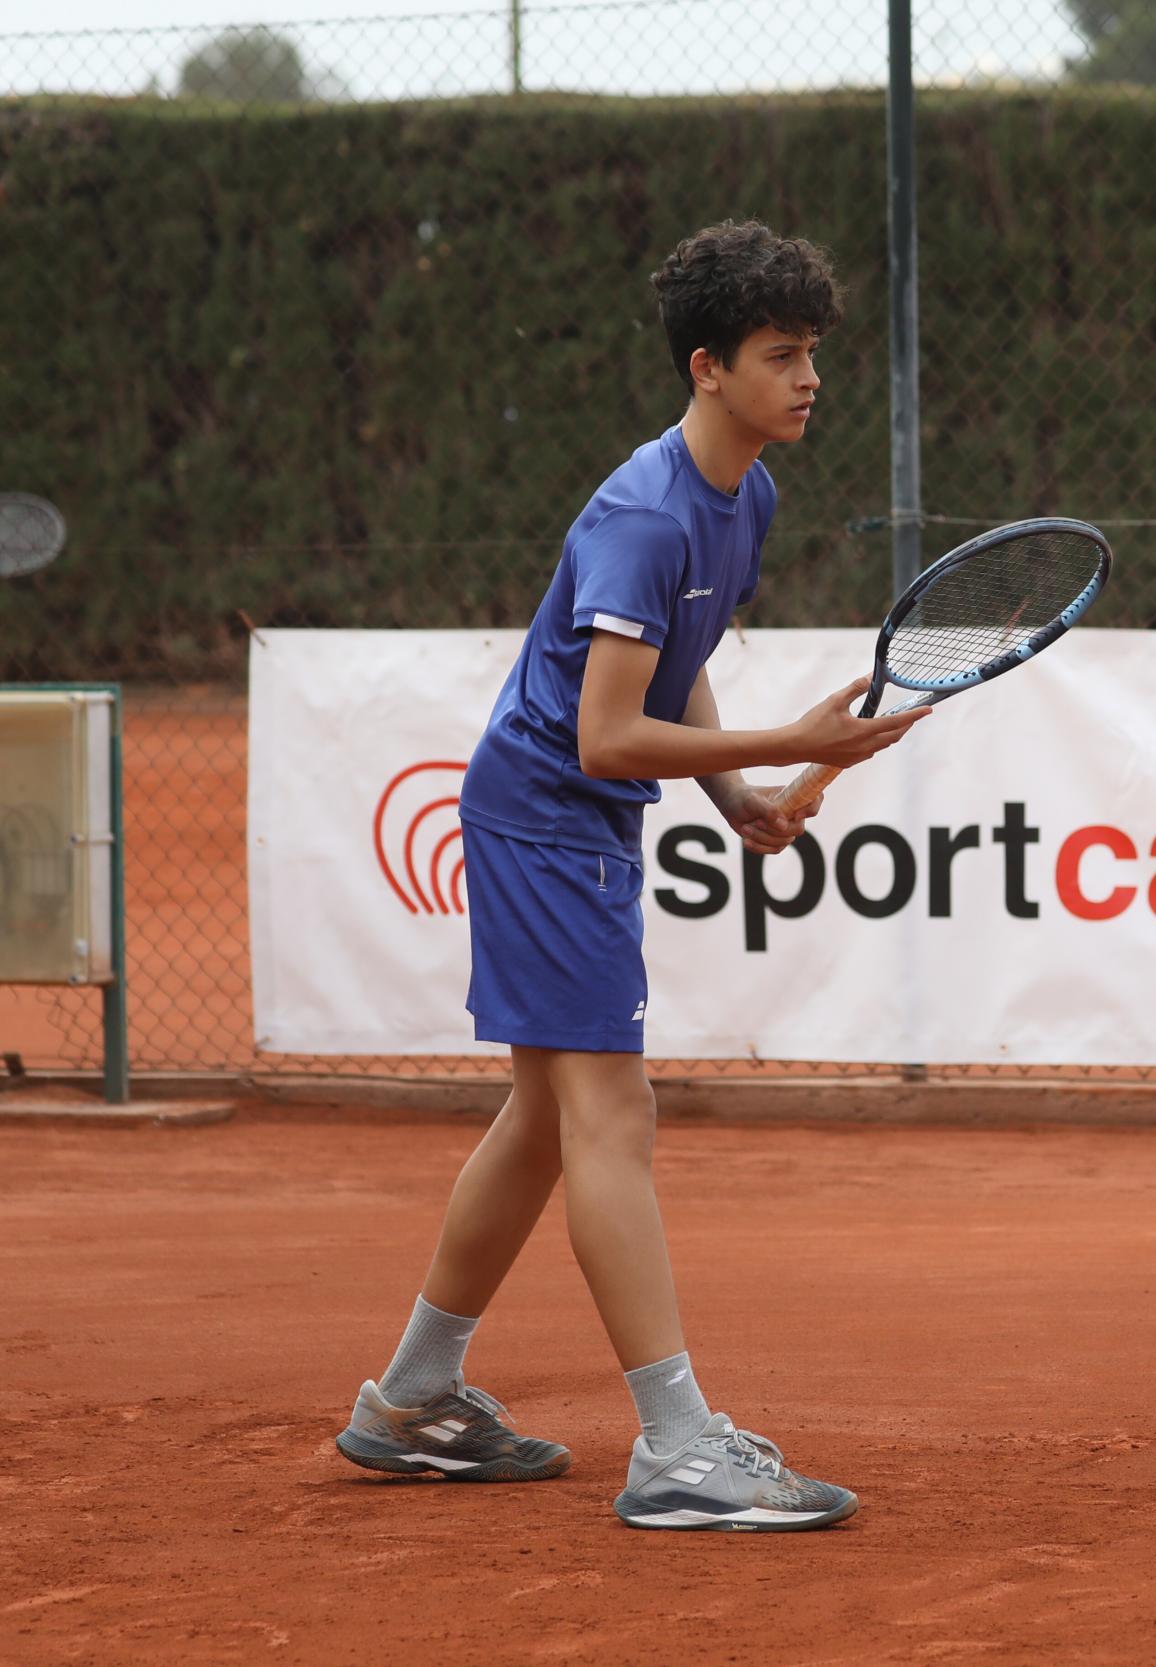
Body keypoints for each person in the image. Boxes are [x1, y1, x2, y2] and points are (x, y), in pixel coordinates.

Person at [333, 220, 928, 1532]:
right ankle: (675, 1446)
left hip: (570, 824)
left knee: (547, 1120)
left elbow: (678, 659)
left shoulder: (746, 495)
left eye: (813, 352)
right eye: (781, 356)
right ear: (709, 368)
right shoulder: (644, 515)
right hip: (547, 820)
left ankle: (413, 1398)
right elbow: (606, 734)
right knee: (612, 1116)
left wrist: (736, 796)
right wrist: (790, 741)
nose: (810, 378)